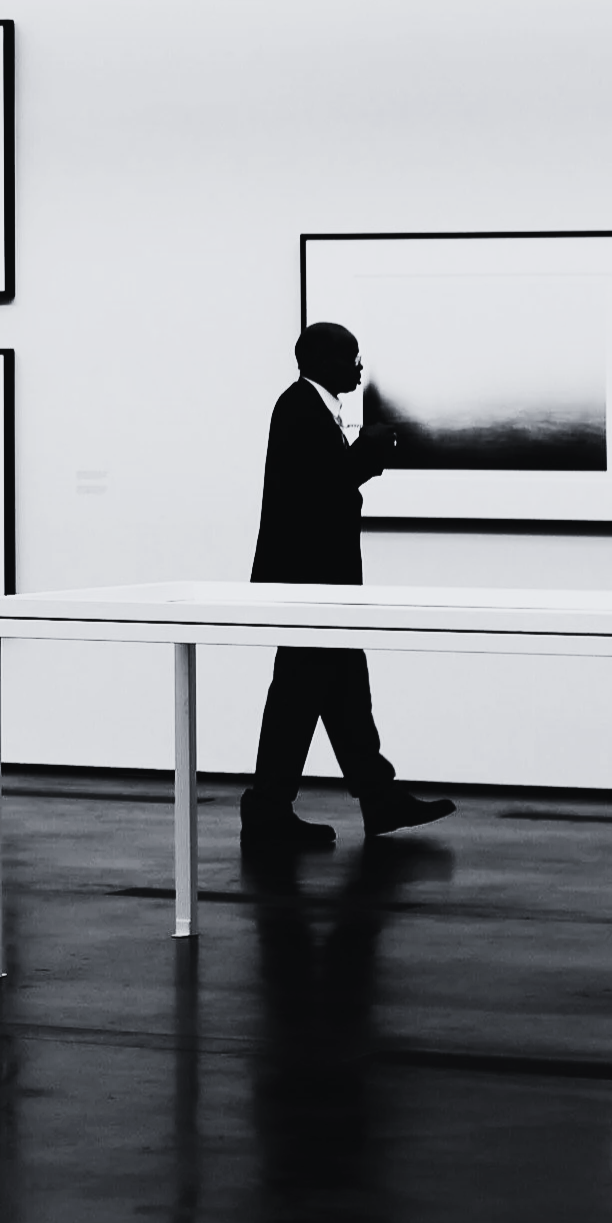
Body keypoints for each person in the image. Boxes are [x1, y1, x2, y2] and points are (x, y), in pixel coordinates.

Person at [242, 321, 455, 850]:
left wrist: (363, 453)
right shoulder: (298, 408)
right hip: (308, 584)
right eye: (350, 358)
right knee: (302, 693)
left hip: (320, 582)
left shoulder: (311, 408)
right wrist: (366, 451)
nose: (359, 368)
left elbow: (322, 486)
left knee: (340, 690)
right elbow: (318, 490)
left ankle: (373, 796)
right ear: (320, 361)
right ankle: (271, 809)